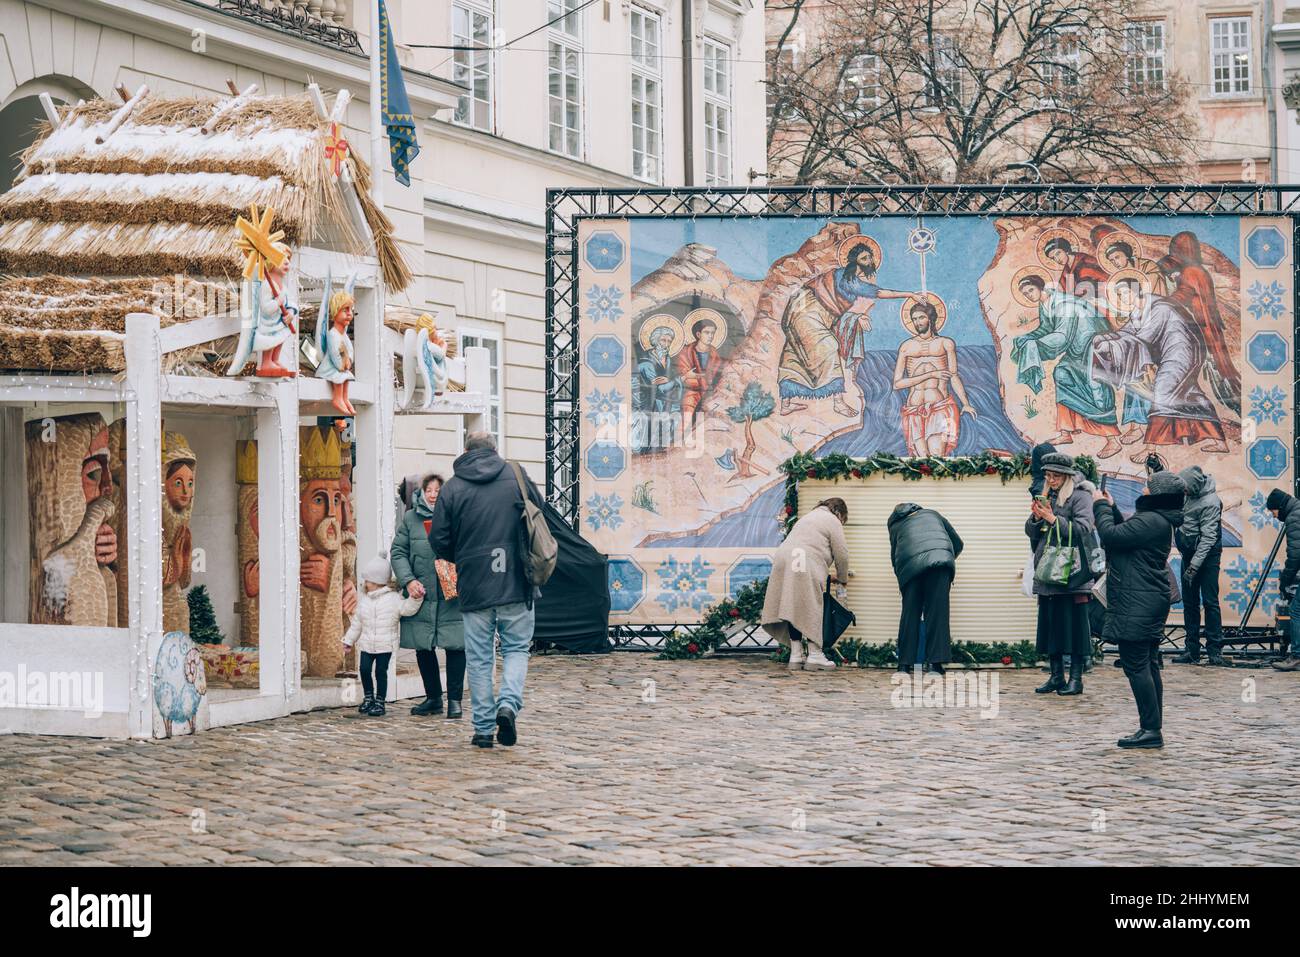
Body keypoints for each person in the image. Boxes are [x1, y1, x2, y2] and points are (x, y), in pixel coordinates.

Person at [429, 432, 545, 748]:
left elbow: (438, 539)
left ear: (466, 450)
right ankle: (508, 704)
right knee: (516, 649)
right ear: (495, 449)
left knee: (479, 658)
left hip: (475, 584)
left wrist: (464, 556)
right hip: (517, 580)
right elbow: (540, 513)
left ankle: (482, 730)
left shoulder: (452, 487)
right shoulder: (515, 474)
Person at [1092, 470, 1186, 749]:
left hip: (1139, 601)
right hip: (1147, 599)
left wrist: (1098, 505)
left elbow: (1110, 536)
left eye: (1148, 487)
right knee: (1148, 663)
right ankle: (1152, 727)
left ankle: (1150, 730)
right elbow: (1125, 535)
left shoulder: (1152, 520)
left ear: (1157, 495)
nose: (1144, 489)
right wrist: (1113, 508)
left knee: (1136, 665)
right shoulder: (1157, 520)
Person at [1011, 274, 1122, 458]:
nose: (1028, 295)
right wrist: (1028, 338)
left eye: (1030, 290)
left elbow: (1061, 336)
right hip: (1078, 345)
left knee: (1095, 385)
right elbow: (1047, 329)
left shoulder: (1063, 304)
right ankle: (1066, 431)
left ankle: (1112, 440)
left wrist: (1036, 344)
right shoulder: (1046, 304)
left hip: (1095, 343)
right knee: (1062, 373)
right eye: (1025, 294)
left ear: (1040, 287)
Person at [392, 473, 466, 718]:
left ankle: (455, 700)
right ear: (422, 493)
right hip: (421, 594)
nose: (433, 495)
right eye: (429, 490)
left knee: (456, 645)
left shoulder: (456, 516)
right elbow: (399, 551)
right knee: (423, 646)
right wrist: (408, 580)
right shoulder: (411, 519)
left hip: (451, 594)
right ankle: (433, 697)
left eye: (438, 490)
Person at [1026, 452, 1097, 696]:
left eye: (1055, 476)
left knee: (1076, 628)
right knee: (1050, 626)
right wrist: (1036, 518)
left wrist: (1053, 519)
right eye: (1048, 475)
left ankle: (1076, 679)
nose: (1051, 479)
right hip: (1048, 571)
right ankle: (1056, 676)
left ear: (1066, 476)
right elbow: (1032, 533)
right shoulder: (1048, 495)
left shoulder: (1081, 496)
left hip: (1073, 574)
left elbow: (1084, 529)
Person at [760, 497, 851, 671]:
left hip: (784, 558)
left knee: (793, 604)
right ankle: (815, 655)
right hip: (802, 560)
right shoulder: (832, 520)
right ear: (839, 512)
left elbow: (810, 545)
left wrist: (826, 575)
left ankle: (796, 654)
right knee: (811, 605)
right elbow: (842, 554)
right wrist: (842, 579)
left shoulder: (808, 517)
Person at [892, 298, 976, 456]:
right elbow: (897, 384)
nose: (917, 322)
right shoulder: (906, 347)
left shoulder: (945, 343)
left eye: (921, 318)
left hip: (939, 408)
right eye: (914, 319)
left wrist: (965, 403)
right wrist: (931, 374)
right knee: (920, 461)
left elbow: (954, 376)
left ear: (930, 318)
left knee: (937, 455)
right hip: (913, 411)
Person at [342, 554, 422, 717]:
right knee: (364, 670)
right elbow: (357, 623)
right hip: (366, 644)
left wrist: (416, 599)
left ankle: (380, 701)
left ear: (378, 582)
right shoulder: (364, 600)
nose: (365, 583)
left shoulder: (393, 599)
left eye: (369, 581)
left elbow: (407, 609)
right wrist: (349, 640)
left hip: (385, 645)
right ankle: (368, 697)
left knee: (380, 671)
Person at [887, 502, 963, 672]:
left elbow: (895, 555)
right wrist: (944, 555)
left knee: (910, 613)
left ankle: (904, 665)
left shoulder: (896, 525)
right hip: (940, 565)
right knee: (937, 614)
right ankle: (935, 665)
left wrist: (903, 579)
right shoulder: (933, 514)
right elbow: (958, 543)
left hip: (910, 568)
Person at [1173, 466, 1225, 666]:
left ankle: (1214, 651)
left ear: (1193, 487)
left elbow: (1209, 538)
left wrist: (1193, 567)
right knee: (1189, 603)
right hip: (1189, 552)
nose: (1183, 494)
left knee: (1210, 602)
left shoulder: (1210, 502)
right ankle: (1192, 650)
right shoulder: (1189, 493)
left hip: (1208, 555)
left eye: (1185, 490)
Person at [1266, 488, 1300, 671]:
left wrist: (1285, 581)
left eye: (1273, 511)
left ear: (1279, 506)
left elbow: (1295, 555)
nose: (1273, 516)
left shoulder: (1294, 518)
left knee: (1296, 611)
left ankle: (1296, 656)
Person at [676, 318, 723, 434]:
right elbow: (684, 374)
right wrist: (698, 379)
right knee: (689, 407)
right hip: (692, 391)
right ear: (698, 334)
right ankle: (681, 438)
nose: (711, 336)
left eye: (713, 333)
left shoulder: (714, 354)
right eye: (707, 332)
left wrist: (700, 378)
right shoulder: (686, 352)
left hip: (711, 391)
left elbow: (718, 374)